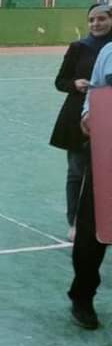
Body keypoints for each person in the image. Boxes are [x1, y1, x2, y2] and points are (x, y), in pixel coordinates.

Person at [50, 3, 112, 238]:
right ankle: (75, 222)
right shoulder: (79, 47)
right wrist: (74, 84)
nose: (96, 24)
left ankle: (104, 222)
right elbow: (60, 81)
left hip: (108, 116)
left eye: (102, 19)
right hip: (78, 116)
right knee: (77, 172)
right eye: (91, 20)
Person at [68, 38, 112, 330]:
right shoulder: (109, 52)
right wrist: (87, 113)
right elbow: (96, 91)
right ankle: (82, 296)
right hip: (108, 151)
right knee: (93, 228)